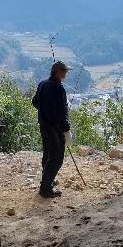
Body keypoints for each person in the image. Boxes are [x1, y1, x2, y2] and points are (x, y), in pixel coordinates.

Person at [32, 61, 73, 198]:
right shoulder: (58, 88)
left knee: (48, 154)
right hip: (55, 128)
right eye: (64, 71)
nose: (66, 73)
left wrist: (45, 111)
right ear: (57, 72)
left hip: (44, 126)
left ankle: (47, 180)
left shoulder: (42, 84)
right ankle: (45, 188)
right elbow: (60, 113)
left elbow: (35, 102)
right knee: (56, 158)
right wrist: (66, 130)